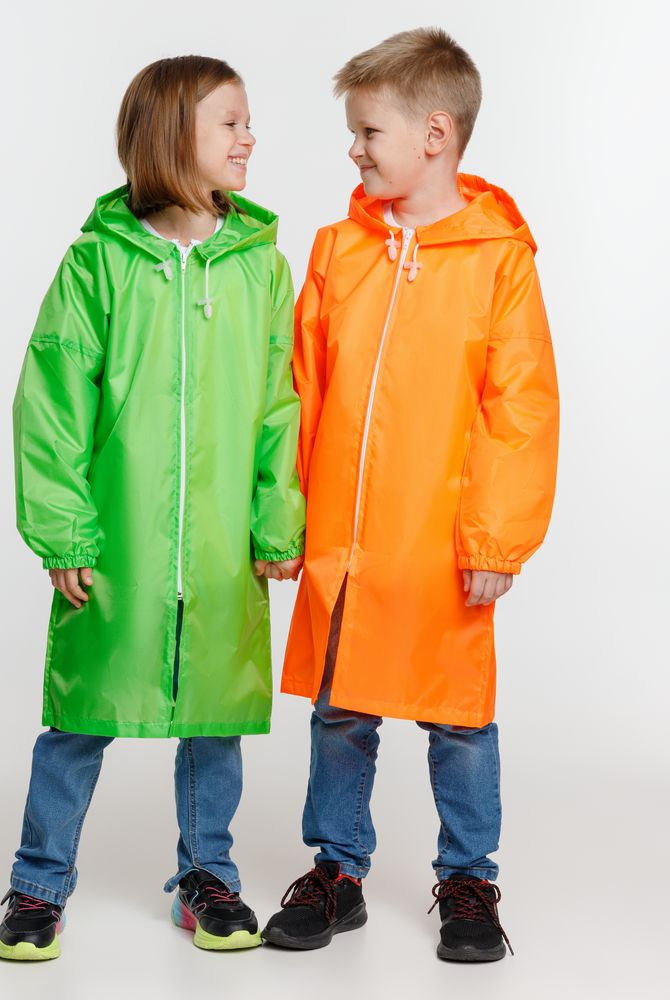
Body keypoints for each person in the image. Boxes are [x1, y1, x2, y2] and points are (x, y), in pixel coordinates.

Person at [0, 55, 305, 961]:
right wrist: (63, 531)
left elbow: (279, 406)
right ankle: (38, 883)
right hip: (117, 542)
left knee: (213, 719)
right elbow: (53, 400)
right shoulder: (98, 263)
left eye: (247, 122)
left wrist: (276, 520)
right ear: (173, 138)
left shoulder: (260, 268)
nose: (250, 138)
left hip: (219, 546)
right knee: (79, 719)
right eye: (230, 123)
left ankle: (208, 877)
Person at [263, 28, 559, 962]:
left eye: (368, 131)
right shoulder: (339, 251)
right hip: (345, 542)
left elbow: (520, 408)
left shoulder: (498, 261)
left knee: (458, 719)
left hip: (443, 541)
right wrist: (283, 517)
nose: (353, 149)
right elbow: (299, 392)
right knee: (340, 712)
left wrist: (496, 541)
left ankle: (468, 878)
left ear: (435, 133)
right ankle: (337, 869)